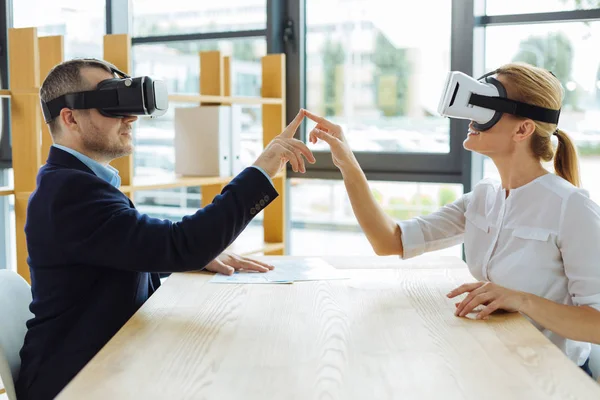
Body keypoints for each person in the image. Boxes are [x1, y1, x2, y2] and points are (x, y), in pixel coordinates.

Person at [16, 58, 315, 400]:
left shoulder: (73, 183)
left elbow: (113, 254)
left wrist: (184, 257)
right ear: (69, 117)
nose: (130, 117)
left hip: (105, 364)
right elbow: (181, 243)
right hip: (74, 383)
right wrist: (260, 171)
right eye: (112, 104)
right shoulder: (70, 193)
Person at [303, 62, 600, 376]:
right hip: (496, 363)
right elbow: (390, 241)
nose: (472, 118)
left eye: (487, 107)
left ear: (523, 129)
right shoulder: (484, 198)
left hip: (553, 378)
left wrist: (521, 300)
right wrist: (348, 162)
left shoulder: (573, 209)